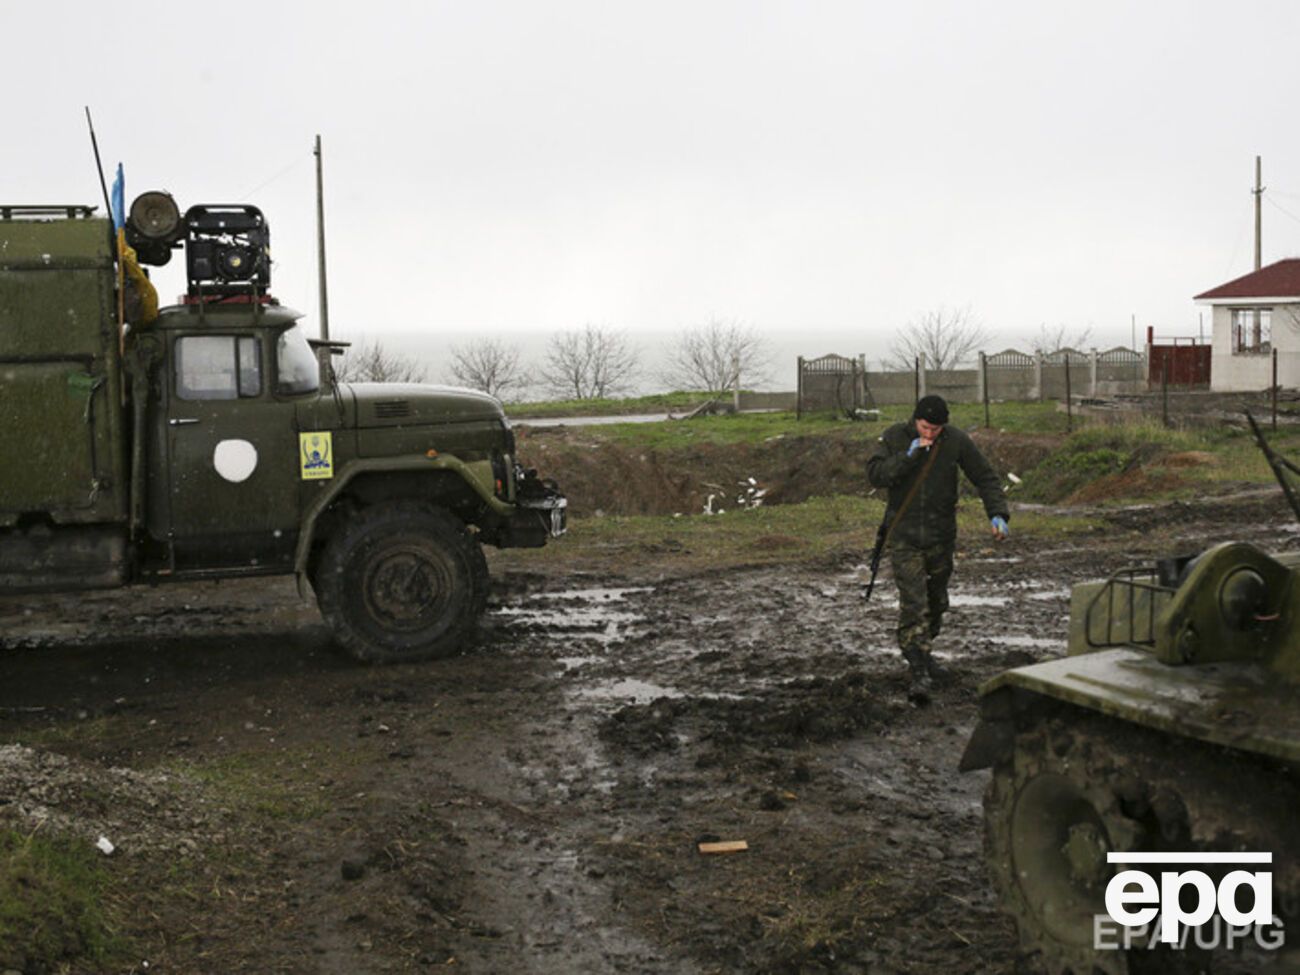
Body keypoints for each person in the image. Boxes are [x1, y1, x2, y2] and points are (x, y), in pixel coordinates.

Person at [866, 395, 1010, 703]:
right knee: (914, 603)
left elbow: (985, 477)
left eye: (935, 429)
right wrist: (908, 456)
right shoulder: (895, 437)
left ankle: (925, 653)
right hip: (904, 537)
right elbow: (876, 475)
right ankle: (918, 669)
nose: (930, 434)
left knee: (936, 602)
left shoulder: (956, 440)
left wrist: (997, 513)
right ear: (915, 420)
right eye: (925, 427)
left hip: (941, 536)